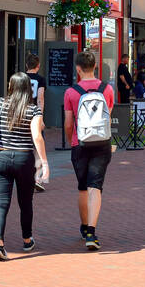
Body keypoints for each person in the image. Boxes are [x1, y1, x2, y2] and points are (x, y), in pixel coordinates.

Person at [0, 72, 49, 260]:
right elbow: (37, 136)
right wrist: (44, 163)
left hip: (1, 157)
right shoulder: (33, 110)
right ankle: (27, 239)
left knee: (1, 203)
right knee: (25, 202)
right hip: (24, 159)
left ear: (10, 87)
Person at [63, 49, 115, 251]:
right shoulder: (107, 89)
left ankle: (84, 227)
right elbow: (107, 116)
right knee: (96, 186)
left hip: (80, 143)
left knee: (82, 186)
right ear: (95, 67)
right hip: (102, 143)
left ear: (78, 69)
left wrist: (72, 141)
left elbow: (68, 123)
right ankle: (92, 232)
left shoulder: (71, 92)